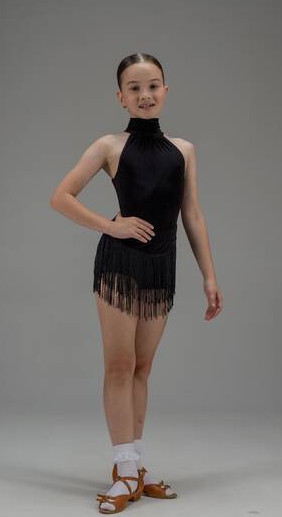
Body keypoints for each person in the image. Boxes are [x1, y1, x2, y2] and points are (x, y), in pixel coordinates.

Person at [50, 52, 224, 513]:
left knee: (142, 369)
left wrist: (209, 275)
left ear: (165, 90)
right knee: (119, 366)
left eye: (152, 86)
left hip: (161, 266)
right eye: (134, 88)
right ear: (120, 97)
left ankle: (134, 468)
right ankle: (124, 471)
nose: (145, 95)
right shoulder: (109, 146)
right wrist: (112, 226)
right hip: (120, 266)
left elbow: (192, 214)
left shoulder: (184, 150)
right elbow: (61, 197)